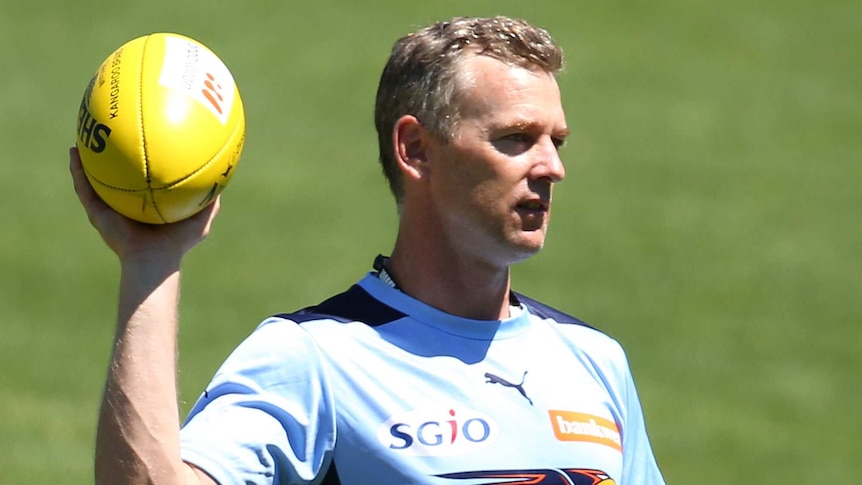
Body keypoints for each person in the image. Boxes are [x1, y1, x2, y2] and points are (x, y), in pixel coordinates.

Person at [71, 15, 665, 485]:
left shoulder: (594, 363)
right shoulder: (313, 362)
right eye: (515, 139)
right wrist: (151, 263)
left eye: (556, 140)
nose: (553, 167)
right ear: (415, 149)